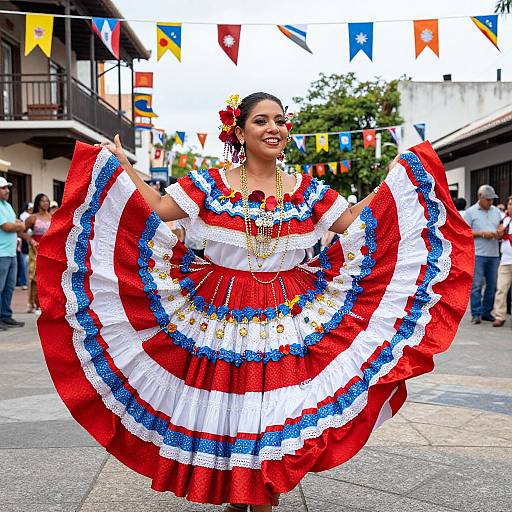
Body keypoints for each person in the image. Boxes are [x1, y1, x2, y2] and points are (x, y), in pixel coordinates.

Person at [37, 93, 474, 511]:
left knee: (277, 404)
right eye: (261, 121)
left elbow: (353, 222)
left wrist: (397, 183)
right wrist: (122, 166)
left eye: (280, 120)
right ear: (239, 132)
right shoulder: (210, 183)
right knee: (231, 401)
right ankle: (240, 491)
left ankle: (260, 491)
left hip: (291, 307)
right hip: (219, 307)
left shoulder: (305, 188)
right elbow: (155, 207)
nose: (274, 128)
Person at [464, 184, 502, 324]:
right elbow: (465, 232)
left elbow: (500, 227)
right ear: (480, 197)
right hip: (478, 254)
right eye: (488, 199)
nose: (490, 202)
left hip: (493, 254)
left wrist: (499, 233)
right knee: (477, 285)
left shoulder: (496, 211)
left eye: (492, 199)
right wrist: (481, 234)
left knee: (492, 285)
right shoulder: (470, 212)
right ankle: (476, 313)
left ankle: (487, 312)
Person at [0, 177, 25, 329]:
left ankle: (6, 316)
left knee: (9, 287)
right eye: (3, 188)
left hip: (11, 253)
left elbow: (15, 222)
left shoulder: (7, 206)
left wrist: (18, 224)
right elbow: (7, 226)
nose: (7, 191)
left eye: (7, 188)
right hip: (1, 253)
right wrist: (20, 225)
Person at [25, 194, 52, 313]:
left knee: (49, 278)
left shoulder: (52, 217)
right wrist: (31, 241)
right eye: (43, 201)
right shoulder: (32, 218)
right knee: (36, 277)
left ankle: (47, 304)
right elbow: (22, 231)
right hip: (36, 250)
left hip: (50, 250)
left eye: (47, 201)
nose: (45, 203)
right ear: (38, 202)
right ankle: (35, 303)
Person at [492, 195, 512, 327]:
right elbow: (499, 235)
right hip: (505, 260)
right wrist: (499, 232)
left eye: (511, 204)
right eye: (509, 204)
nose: (509, 206)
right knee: (501, 289)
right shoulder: (504, 219)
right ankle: (500, 316)